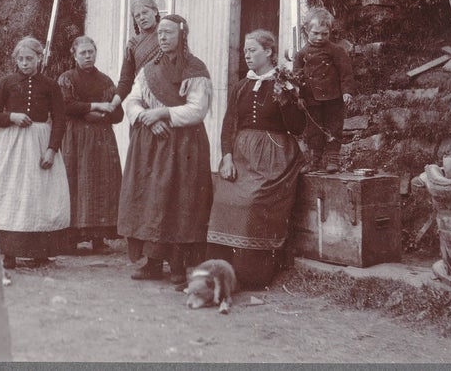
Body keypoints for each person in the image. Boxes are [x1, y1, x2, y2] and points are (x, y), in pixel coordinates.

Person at [117, 15, 213, 286]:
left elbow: (197, 109)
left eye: (168, 33)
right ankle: (153, 262)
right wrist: (145, 119)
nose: (162, 37)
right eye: (160, 33)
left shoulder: (194, 68)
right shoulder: (149, 69)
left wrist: (161, 114)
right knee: (151, 202)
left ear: (182, 35)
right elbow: (133, 101)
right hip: (152, 145)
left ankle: (178, 265)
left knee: (179, 202)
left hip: (183, 147)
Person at [207, 29, 306, 289]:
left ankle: (252, 276)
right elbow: (229, 125)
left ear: (269, 51)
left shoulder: (285, 82)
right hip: (240, 157)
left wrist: (286, 98)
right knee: (223, 198)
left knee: (252, 202)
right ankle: (218, 273)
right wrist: (226, 158)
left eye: (252, 50)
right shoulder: (241, 86)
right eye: (245, 51)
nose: (247, 55)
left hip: (275, 157)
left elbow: (297, 128)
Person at [0, 36, 70, 269]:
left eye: (30, 58)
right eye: (21, 59)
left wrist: (51, 149)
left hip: (39, 144)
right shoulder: (7, 83)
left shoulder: (50, 85)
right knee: (10, 194)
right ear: (16, 60)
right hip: (11, 145)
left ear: (40, 58)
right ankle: (8, 252)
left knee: (38, 196)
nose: (25, 63)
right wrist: (11, 117)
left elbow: (59, 119)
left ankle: (40, 252)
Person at [58, 36, 124, 253]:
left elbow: (118, 115)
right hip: (75, 139)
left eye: (91, 52)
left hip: (102, 140)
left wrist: (96, 116)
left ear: (96, 53)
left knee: (102, 183)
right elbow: (66, 106)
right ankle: (71, 238)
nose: (87, 56)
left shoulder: (105, 81)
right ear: (74, 55)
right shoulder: (66, 78)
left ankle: (99, 239)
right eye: (83, 53)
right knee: (74, 181)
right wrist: (94, 106)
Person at [292, 7, 355, 174]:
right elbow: (297, 77)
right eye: (315, 33)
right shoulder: (301, 54)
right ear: (306, 31)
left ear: (330, 32)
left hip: (333, 98)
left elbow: (345, 73)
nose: (320, 38)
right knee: (313, 130)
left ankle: (333, 159)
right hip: (312, 99)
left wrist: (347, 91)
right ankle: (315, 160)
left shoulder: (336, 51)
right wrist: (299, 96)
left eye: (324, 34)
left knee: (334, 127)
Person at [110, 0, 162, 108]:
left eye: (145, 12)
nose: (142, 18)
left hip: (168, 100)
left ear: (155, 11)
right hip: (143, 102)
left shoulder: (167, 36)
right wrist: (112, 105)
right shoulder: (132, 45)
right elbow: (126, 81)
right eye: (137, 16)